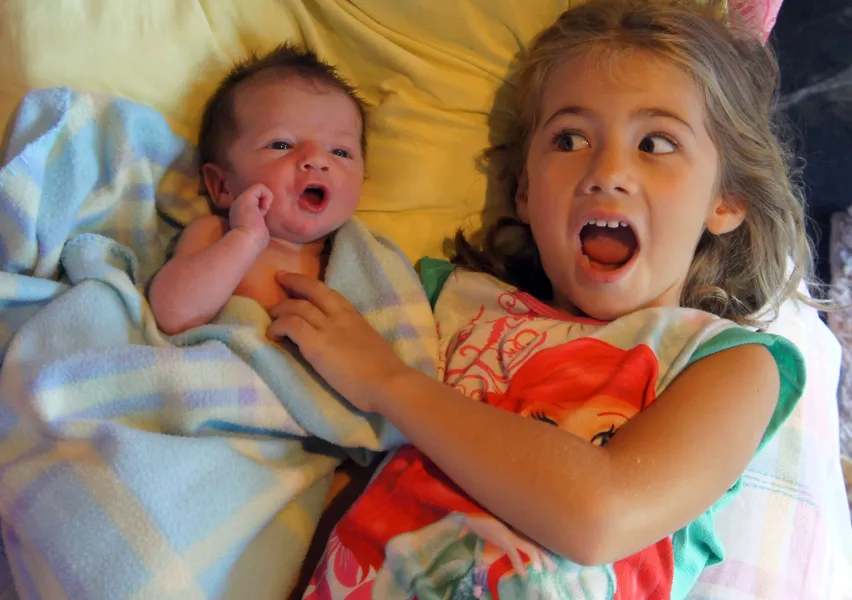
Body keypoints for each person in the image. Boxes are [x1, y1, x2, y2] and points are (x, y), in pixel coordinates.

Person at [266, 0, 815, 597]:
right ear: (524, 189)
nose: (607, 171)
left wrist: (389, 384)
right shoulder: (441, 299)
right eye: (570, 138)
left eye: (656, 144)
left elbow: (601, 516)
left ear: (727, 198)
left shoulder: (728, 364)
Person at [149, 44, 367, 334]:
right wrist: (245, 238)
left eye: (340, 152)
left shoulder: (365, 262)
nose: (317, 159)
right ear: (222, 185)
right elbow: (172, 314)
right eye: (281, 145)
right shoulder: (217, 235)